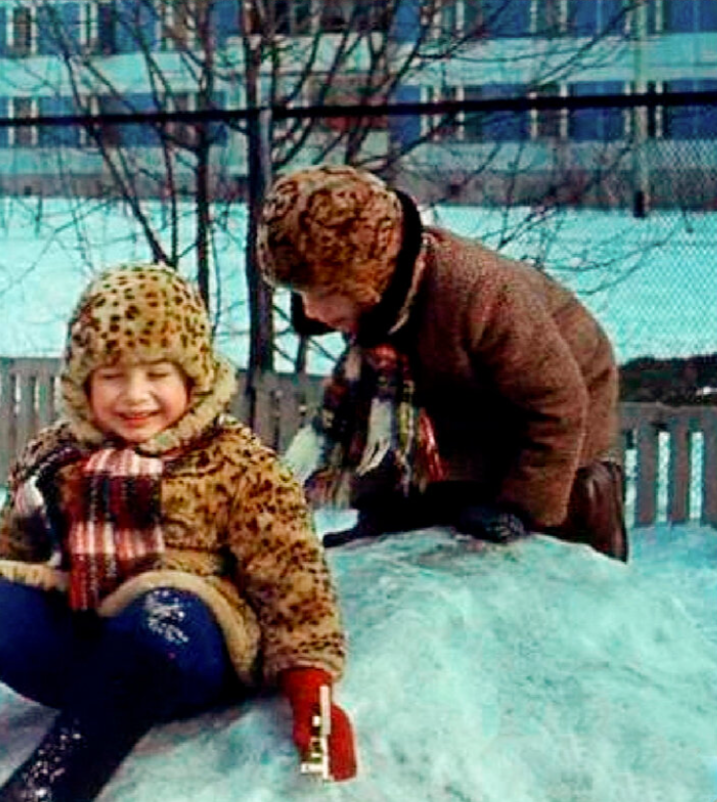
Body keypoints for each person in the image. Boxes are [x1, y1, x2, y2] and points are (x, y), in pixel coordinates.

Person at [0, 263, 356, 802]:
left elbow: (294, 583)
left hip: (181, 656)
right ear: (83, 383)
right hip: (81, 649)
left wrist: (310, 691)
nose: (136, 396)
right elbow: (6, 563)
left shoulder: (235, 462)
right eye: (111, 376)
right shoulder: (57, 456)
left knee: (164, 608)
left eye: (158, 373)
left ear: (194, 375)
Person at [257, 164, 628, 562]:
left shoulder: (480, 292)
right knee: (427, 505)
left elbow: (558, 403)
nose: (310, 311)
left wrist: (521, 506)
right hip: (465, 398)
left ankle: (549, 517)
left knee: (545, 527)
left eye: (323, 292)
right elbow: (383, 413)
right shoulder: (384, 307)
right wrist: (378, 511)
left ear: (370, 276)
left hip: (564, 407)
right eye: (299, 294)